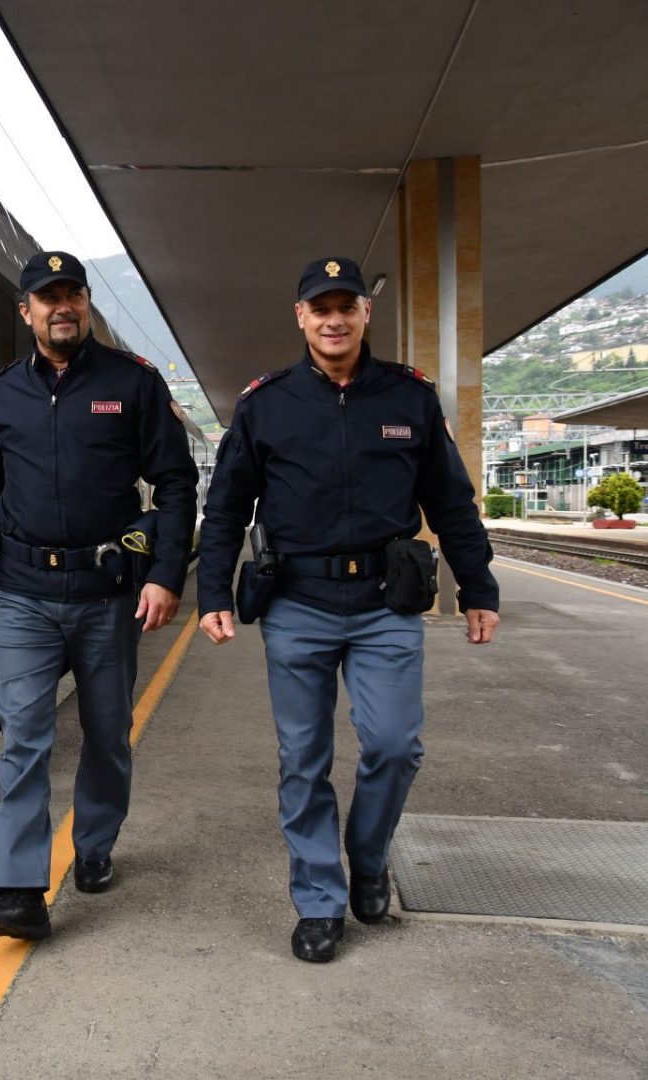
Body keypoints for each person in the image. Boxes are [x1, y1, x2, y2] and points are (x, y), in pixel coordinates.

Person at [197, 256, 501, 963]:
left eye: (347, 306)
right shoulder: (264, 403)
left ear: (366, 313)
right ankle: (318, 898)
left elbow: (449, 502)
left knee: (395, 746)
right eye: (319, 307)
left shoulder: (408, 398)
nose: (333, 318)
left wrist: (478, 588)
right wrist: (212, 590)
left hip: (383, 604)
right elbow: (223, 509)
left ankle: (367, 859)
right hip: (296, 603)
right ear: (299, 317)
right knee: (302, 760)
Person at [0, 250, 198, 940]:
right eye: (46, 297)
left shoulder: (133, 383)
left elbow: (177, 484)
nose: (61, 306)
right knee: (23, 737)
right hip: (25, 592)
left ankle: (93, 844)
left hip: (104, 593)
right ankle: (20, 891)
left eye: (73, 295)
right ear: (25, 310)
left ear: (86, 305)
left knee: (107, 736)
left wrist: (164, 574)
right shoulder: (3, 393)